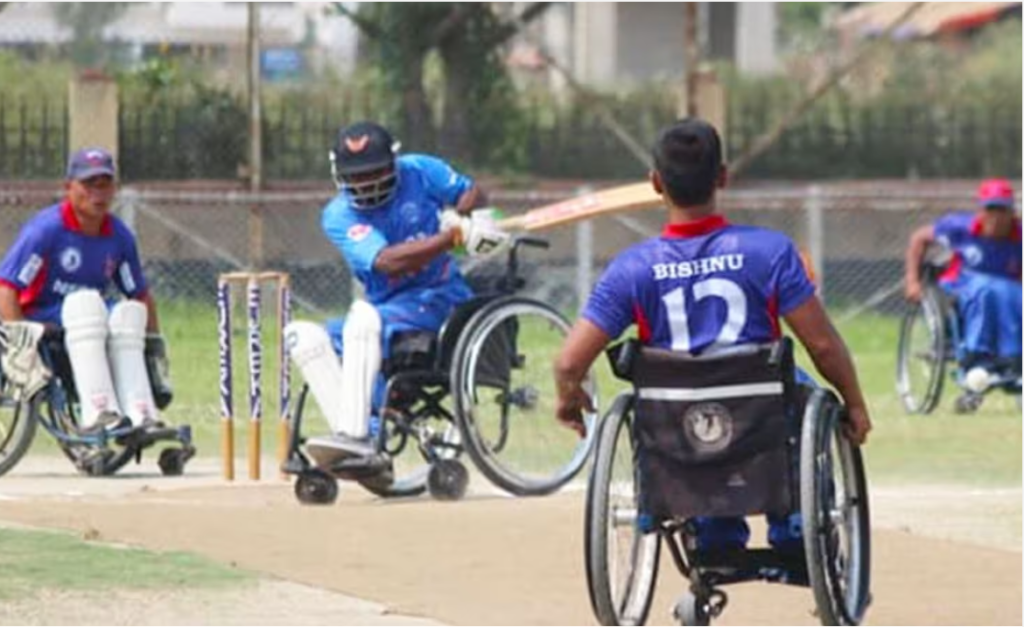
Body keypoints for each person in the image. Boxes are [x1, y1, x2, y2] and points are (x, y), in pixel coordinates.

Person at [554, 118, 871, 553]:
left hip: (683, 426)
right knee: (805, 393)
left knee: (682, 409)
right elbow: (821, 345)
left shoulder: (630, 269)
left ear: (655, 182)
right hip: (762, 416)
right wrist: (853, 401)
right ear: (722, 177)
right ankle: (795, 527)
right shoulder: (770, 252)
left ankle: (715, 533)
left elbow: (569, 363)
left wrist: (568, 397)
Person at [285, 121, 508, 463]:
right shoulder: (338, 215)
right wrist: (447, 238)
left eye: (374, 172)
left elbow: (472, 192)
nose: (366, 182)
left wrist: (460, 216)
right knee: (303, 335)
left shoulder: (419, 170)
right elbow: (389, 262)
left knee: (361, 318)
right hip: (385, 309)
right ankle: (361, 440)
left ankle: (361, 438)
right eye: (355, 175)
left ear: (393, 162)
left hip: (438, 299)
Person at [0, 147, 172, 432]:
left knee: (129, 312)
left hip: (88, 319)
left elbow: (140, 295)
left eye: (105, 185)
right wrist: (19, 341)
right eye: (89, 184)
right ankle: (98, 413)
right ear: (69, 187)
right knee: (86, 305)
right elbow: (6, 288)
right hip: (41, 318)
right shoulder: (46, 230)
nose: (98, 193)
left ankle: (142, 415)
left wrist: (154, 348)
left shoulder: (119, 236)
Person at [904, 178, 1021, 404]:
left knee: (1008, 292)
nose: (996, 217)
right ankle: (977, 358)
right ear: (982, 211)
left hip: (1006, 295)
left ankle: (1013, 359)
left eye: (1002, 210)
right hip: (960, 287)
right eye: (991, 210)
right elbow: (919, 238)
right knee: (987, 289)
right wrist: (912, 280)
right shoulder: (960, 227)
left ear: (1011, 213)